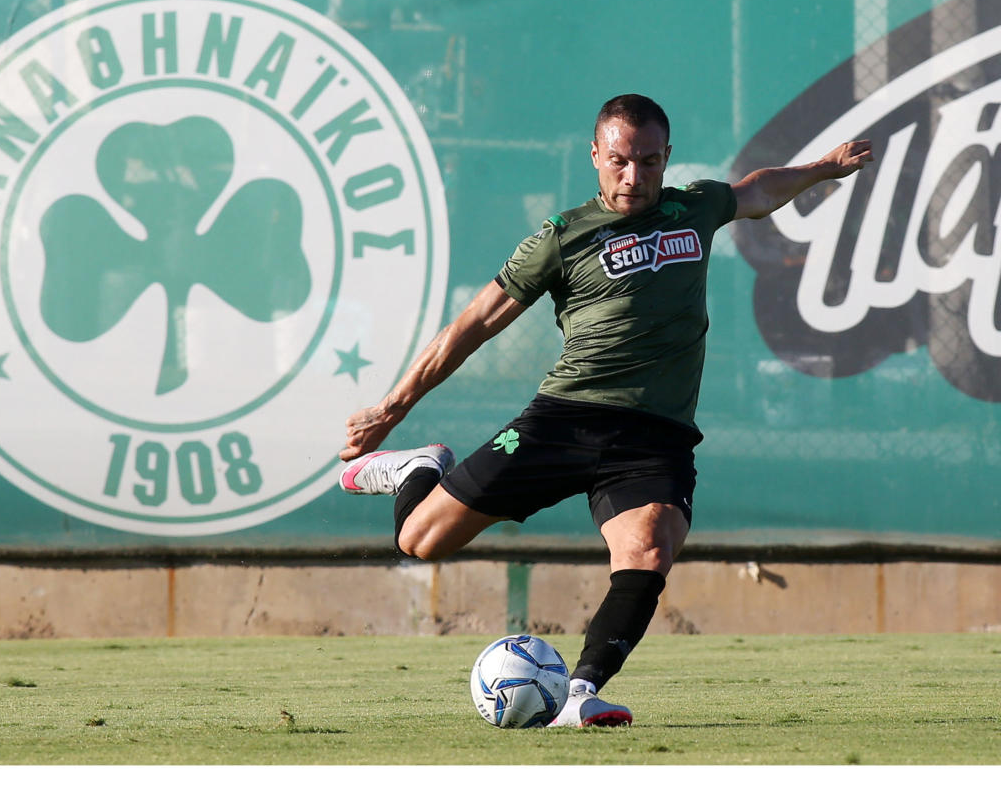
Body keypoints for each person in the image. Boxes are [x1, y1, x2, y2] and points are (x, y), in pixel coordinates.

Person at [338, 93, 873, 727]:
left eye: (649, 162)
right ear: (595, 155)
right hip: (565, 419)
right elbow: (475, 322)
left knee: (650, 546)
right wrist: (393, 406)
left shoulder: (693, 207)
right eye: (619, 160)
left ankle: (580, 694)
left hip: (655, 435)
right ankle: (418, 468)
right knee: (418, 541)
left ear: (666, 157)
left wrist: (821, 168)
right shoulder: (562, 237)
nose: (634, 176)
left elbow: (756, 191)